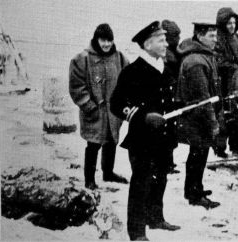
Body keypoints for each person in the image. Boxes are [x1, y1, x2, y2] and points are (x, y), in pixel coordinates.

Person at [110, 21, 181, 241]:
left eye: (165, 39)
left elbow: (170, 101)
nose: (166, 43)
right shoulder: (133, 71)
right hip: (142, 139)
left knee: (160, 178)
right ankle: (137, 231)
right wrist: (143, 116)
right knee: (141, 183)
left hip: (164, 138)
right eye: (161, 40)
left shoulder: (166, 68)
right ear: (148, 44)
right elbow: (116, 103)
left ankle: (156, 218)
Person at [69, 23, 129, 190]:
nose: (106, 44)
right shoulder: (82, 59)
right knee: (93, 144)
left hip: (113, 112)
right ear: (96, 39)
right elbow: (76, 87)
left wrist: (124, 103)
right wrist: (89, 106)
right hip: (94, 112)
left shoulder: (120, 57)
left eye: (109, 41)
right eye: (103, 40)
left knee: (111, 142)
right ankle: (89, 180)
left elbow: (129, 79)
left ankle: (108, 173)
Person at [176, 22, 222, 209]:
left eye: (216, 36)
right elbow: (203, 99)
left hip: (199, 117)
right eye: (211, 36)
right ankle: (194, 195)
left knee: (199, 155)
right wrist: (213, 122)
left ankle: (195, 189)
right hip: (197, 118)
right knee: (197, 154)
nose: (215, 40)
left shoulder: (203, 57)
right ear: (200, 36)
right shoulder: (196, 62)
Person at [213, 7, 238, 158]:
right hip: (223, 84)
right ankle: (220, 149)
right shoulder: (217, 40)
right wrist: (236, 68)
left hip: (237, 83)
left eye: (234, 23)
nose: (232, 26)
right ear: (222, 23)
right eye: (229, 23)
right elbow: (219, 62)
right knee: (223, 116)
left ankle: (237, 147)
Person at [161, 19, 182, 174]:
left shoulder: (175, 52)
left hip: (173, 97)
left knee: (171, 131)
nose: (178, 39)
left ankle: (169, 162)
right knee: (167, 131)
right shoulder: (166, 55)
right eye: (176, 36)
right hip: (168, 98)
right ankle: (166, 163)